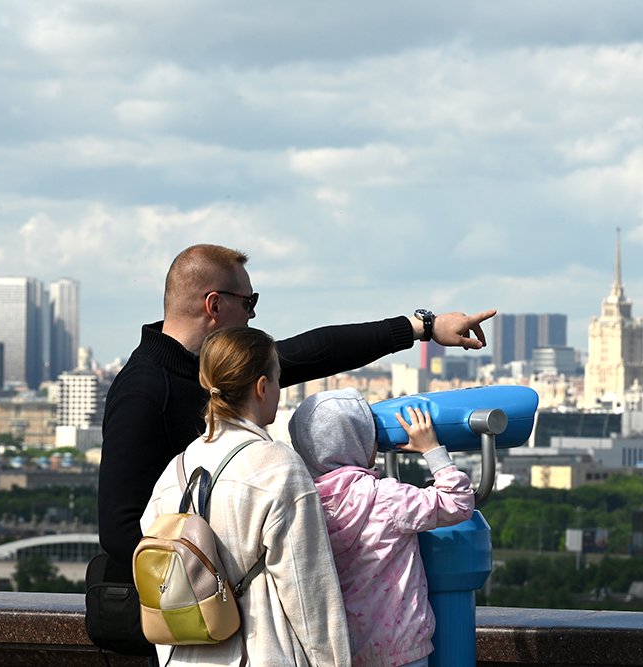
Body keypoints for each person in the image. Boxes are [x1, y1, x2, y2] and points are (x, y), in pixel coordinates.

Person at [96, 243, 494, 654]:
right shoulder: (145, 391)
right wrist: (219, 584)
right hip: (194, 627)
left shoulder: (211, 372)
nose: (253, 314)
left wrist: (422, 327)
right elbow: (121, 529)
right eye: (249, 301)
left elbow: (314, 351)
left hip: (212, 633)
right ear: (214, 304)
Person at [141, 326, 350, 665]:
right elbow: (311, 594)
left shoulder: (175, 471)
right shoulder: (277, 467)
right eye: (278, 380)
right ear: (262, 387)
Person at [288, 388, 474, 667]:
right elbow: (458, 502)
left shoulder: (303, 505)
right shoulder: (386, 498)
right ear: (359, 440)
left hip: (341, 651)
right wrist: (431, 449)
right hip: (400, 649)